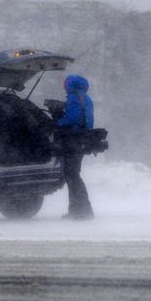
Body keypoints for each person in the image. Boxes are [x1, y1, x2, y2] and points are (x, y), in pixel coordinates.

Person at [55, 73, 95, 220]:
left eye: (65, 84)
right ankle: (79, 210)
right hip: (82, 139)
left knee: (71, 175)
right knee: (73, 174)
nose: (64, 87)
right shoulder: (85, 97)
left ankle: (82, 210)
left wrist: (57, 123)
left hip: (73, 140)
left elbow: (72, 118)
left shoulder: (74, 98)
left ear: (70, 85)